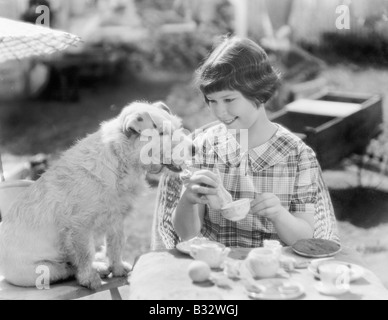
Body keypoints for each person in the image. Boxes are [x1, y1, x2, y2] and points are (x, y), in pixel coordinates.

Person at [172, 36, 339, 248]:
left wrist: (279, 215)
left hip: (273, 274)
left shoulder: (298, 156)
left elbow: (305, 240)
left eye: (229, 100)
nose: (220, 112)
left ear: (259, 93)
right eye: (212, 101)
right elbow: (186, 235)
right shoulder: (204, 147)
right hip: (215, 270)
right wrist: (188, 199)